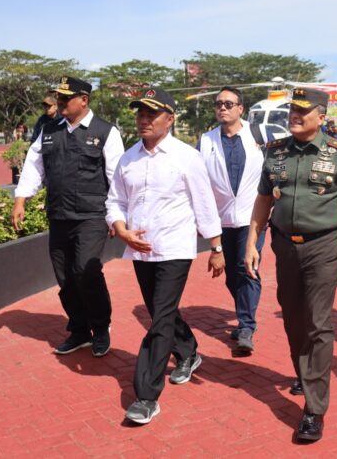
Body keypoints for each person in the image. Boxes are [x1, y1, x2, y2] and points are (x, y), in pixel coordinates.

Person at [245, 87, 337, 442]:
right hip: (284, 246)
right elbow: (263, 199)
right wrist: (252, 243)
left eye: (302, 110)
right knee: (293, 316)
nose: (294, 116)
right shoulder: (276, 152)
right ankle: (304, 371)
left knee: (317, 322)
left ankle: (314, 409)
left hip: (324, 247)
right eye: (292, 111)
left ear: (321, 115)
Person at [106, 88, 225, 426]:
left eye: (151, 114)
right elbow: (115, 201)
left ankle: (146, 396)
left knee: (158, 321)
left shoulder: (187, 156)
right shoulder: (128, 158)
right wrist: (120, 228)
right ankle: (188, 352)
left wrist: (216, 248)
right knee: (163, 312)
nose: (144, 119)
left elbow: (204, 203)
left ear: (169, 119)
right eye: (140, 114)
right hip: (140, 251)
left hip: (174, 248)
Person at [12, 76, 125, 357]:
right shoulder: (48, 130)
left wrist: (117, 217)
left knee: (85, 270)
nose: (59, 103)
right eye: (58, 98)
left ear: (83, 100)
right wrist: (21, 199)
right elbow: (34, 167)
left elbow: (118, 179)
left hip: (92, 215)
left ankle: (100, 328)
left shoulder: (106, 131)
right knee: (64, 274)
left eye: (65, 98)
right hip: (59, 213)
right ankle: (79, 330)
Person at [198, 86, 267, 354]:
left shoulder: (259, 135)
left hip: (253, 218)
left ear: (241, 108)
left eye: (229, 104)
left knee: (247, 267)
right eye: (218, 104)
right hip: (221, 219)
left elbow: (275, 168)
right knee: (230, 275)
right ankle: (244, 315)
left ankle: (247, 326)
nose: (222, 108)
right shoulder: (205, 141)